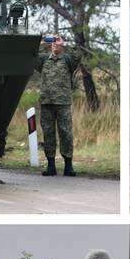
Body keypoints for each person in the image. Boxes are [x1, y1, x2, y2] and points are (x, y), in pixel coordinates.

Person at [34, 33, 81, 176]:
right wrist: (39, 44)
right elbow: (30, 57)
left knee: (65, 133)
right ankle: (51, 166)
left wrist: (65, 44)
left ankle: (68, 166)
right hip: (47, 102)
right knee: (48, 134)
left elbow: (77, 56)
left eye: (57, 41)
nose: (54, 43)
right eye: (52, 41)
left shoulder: (67, 59)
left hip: (63, 102)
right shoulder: (43, 59)